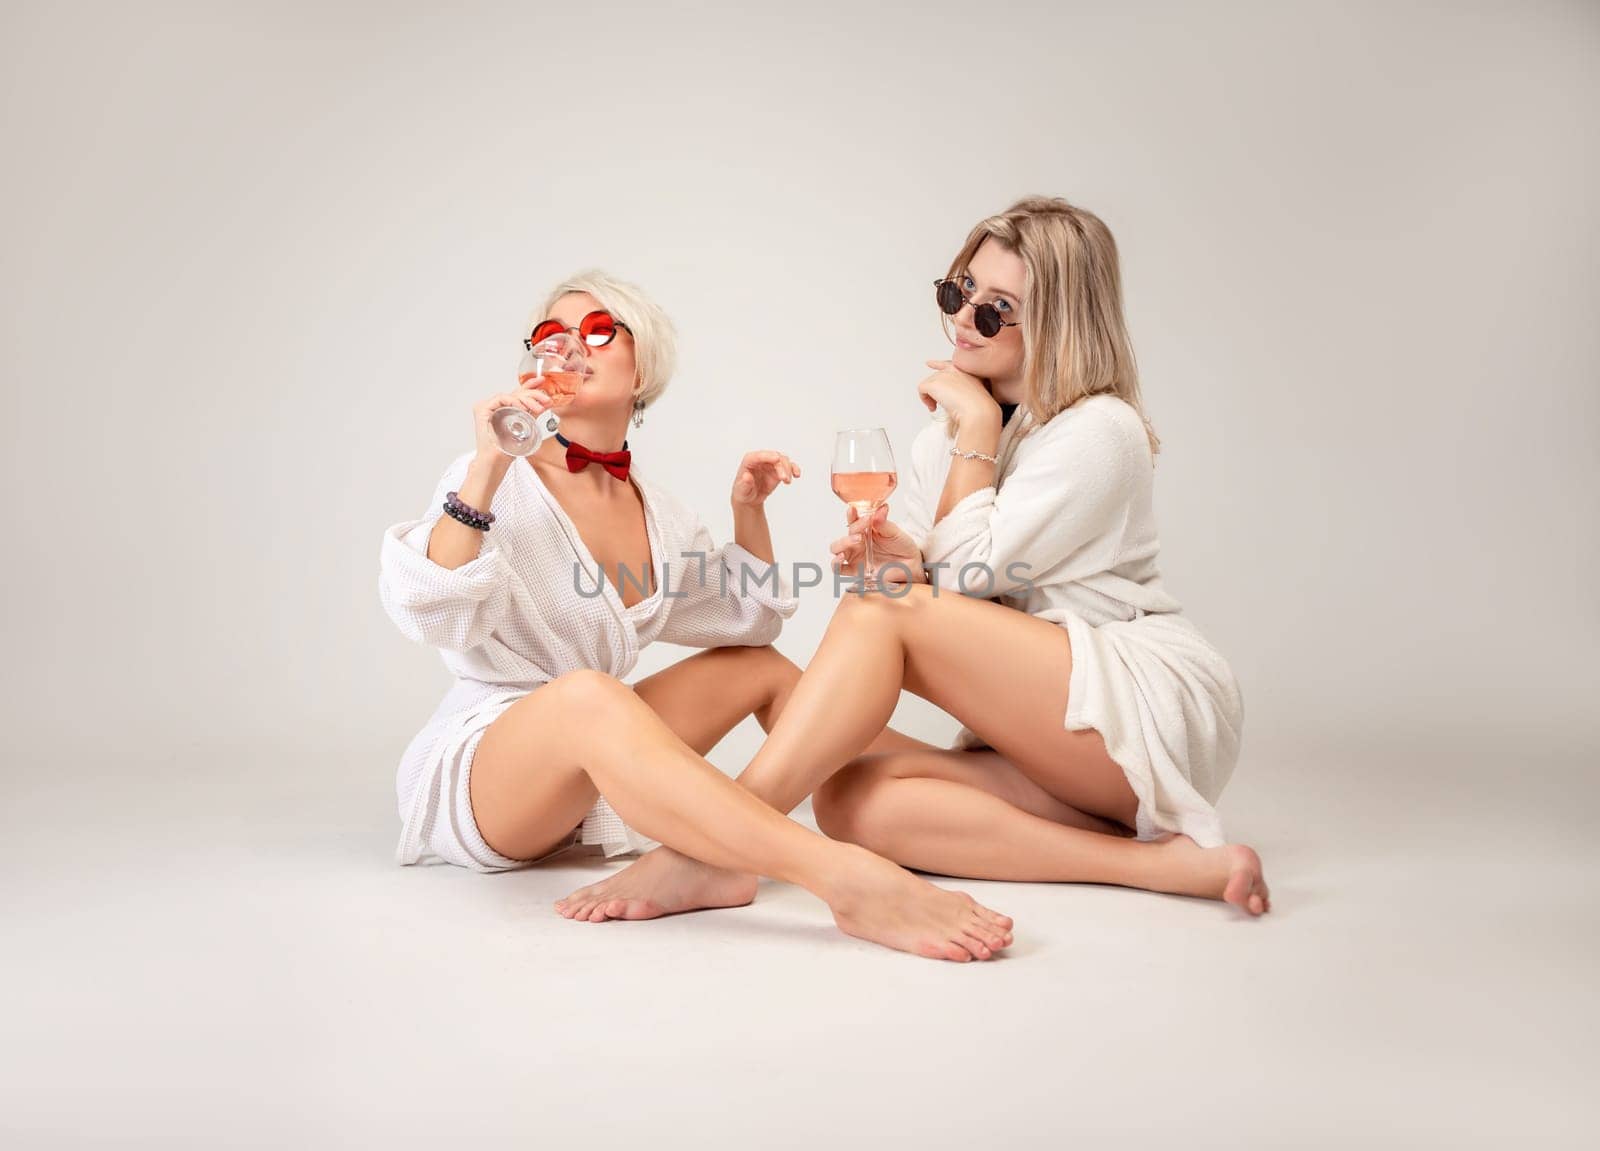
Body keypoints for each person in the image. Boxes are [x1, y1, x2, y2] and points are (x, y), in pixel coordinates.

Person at [556, 199, 1270, 922]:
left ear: (1058, 323)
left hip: (1143, 707)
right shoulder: (946, 440)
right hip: (1046, 737)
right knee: (848, 798)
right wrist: (898, 563)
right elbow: (942, 596)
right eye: (958, 292)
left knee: (882, 612)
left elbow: (962, 586)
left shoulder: (1098, 431)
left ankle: (711, 850)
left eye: (996, 311)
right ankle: (1155, 864)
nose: (963, 320)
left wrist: (977, 433)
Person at [378, 269, 1015, 962]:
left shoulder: (657, 512)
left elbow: (750, 621)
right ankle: (841, 878)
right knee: (591, 695)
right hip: (490, 772)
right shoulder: (494, 476)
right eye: (550, 336)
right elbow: (431, 612)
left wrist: (748, 511)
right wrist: (487, 467)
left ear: (641, 364)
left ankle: (974, 793)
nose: (568, 348)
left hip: (594, 750)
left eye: (594, 331)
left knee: (759, 671)